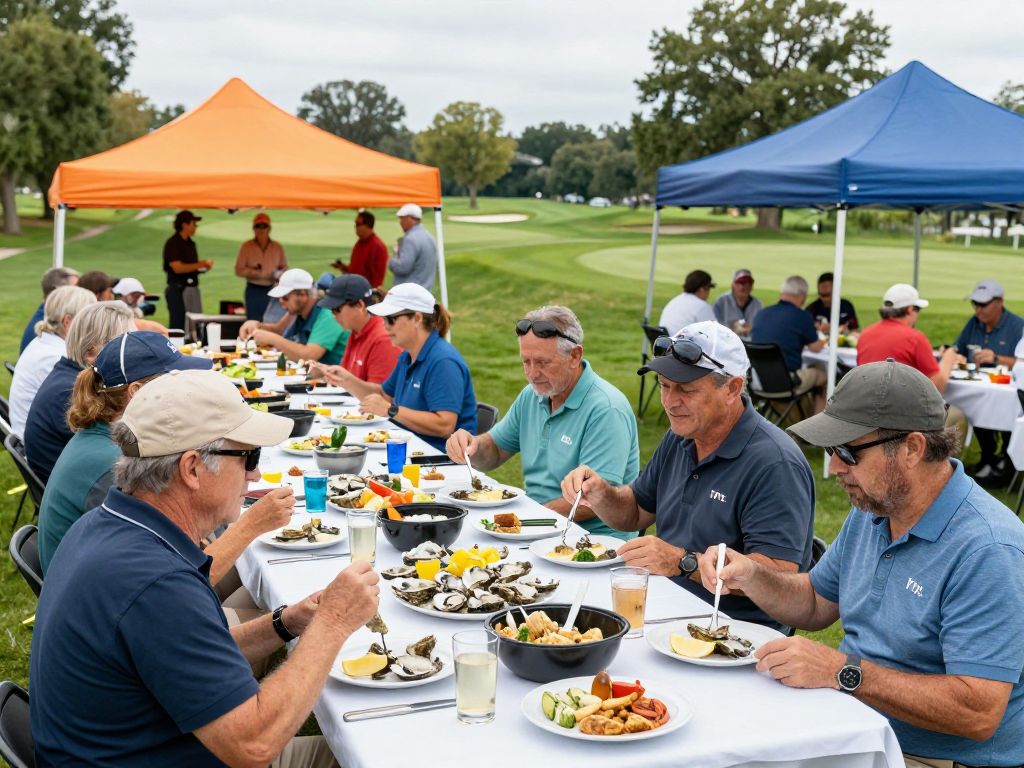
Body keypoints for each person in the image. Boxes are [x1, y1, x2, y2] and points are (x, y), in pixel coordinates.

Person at [31, 369, 377, 766]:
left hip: (129, 749)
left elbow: (186, 655)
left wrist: (286, 623)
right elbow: (253, 746)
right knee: (384, 755)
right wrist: (333, 623)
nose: (255, 474)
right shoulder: (155, 583)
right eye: (248, 456)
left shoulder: (110, 526)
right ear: (192, 469)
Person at [702, 361, 1024, 768]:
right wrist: (750, 574)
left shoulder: (988, 549)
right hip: (854, 726)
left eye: (847, 452)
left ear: (912, 448)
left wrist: (842, 671)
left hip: (932, 757)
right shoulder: (876, 507)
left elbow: (978, 712)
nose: (835, 468)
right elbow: (817, 602)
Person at [561, 321, 815, 630]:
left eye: (686, 389)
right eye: (665, 386)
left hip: (733, 633)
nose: (669, 402)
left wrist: (683, 562)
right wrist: (602, 494)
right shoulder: (682, 434)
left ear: (732, 388)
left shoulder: (775, 464)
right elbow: (637, 510)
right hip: (666, 609)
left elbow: (782, 578)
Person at [446, 306, 639, 540]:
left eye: (542, 363)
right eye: (525, 361)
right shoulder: (533, 395)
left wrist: (527, 520)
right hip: (541, 526)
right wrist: (471, 447)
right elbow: (495, 450)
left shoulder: (606, 408)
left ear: (575, 356)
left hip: (591, 541)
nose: (531, 373)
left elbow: (591, 501)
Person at [37, 331, 212, 573]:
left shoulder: (105, 440)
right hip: (106, 602)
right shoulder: (114, 464)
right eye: (174, 380)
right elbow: (182, 571)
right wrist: (250, 526)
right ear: (136, 391)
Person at [327, 283, 476, 451]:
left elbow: (444, 425)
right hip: (412, 450)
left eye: (391, 319)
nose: (385, 326)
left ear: (417, 319)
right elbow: (384, 396)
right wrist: (347, 380)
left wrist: (391, 411)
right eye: (384, 319)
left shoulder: (443, 361)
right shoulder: (408, 354)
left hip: (439, 459)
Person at [24, 301, 137, 483]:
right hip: (85, 493)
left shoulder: (67, 376)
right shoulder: (73, 391)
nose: (135, 352)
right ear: (91, 351)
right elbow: (124, 451)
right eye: (128, 344)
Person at [953, 279, 1024, 485]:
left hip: (1008, 388)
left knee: (998, 409)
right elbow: (959, 349)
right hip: (977, 386)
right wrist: (954, 355)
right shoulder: (973, 324)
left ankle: (1004, 461)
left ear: (999, 302)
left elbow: (1021, 363)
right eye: (975, 304)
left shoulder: (1018, 326)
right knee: (974, 407)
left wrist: (996, 358)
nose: (978, 309)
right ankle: (988, 456)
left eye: (983, 304)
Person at [10, 285, 96, 436]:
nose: (95, 326)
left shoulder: (43, 343)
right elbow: (83, 417)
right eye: (90, 319)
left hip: (37, 438)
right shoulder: (56, 357)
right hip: (43, 449)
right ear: (69, 322)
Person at [238, 269, 348, 365]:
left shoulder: (328, 316)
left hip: (336, 381)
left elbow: (309, 354)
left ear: (302, 294)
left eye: (285, 297)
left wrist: (272, 339)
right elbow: (279, 330)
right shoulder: (298, 311)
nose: (281, 302)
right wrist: (257, 325)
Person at [751, 275, 827, 412]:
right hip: (787, 383)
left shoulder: (761, 314)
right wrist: (825, 339)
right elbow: (815, 347)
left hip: (758, 382)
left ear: (782, 293)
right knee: (824, 374)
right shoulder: (802, 316)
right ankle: (817, 426)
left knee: (812, 368)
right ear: (802, 296)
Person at [309, 274, 400, 384]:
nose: (333, 315)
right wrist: (327, 372)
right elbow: (348, 379)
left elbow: (378, 396)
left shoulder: (382, 339)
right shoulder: (355, 332)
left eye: (337, 309)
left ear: (359, 305)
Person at [163, 209, 212, 330]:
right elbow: (177, 268)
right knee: (179, 325)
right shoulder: (173, 243)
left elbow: (190, 266)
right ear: (184, 225)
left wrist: (201, 267)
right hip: (178, 290)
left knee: (195, 325)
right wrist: (201, 264)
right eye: (193, 224)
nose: (196, 227)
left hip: (192, 288)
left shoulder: (191, 243)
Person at [235, 212, 289, 321]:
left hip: (272, 288)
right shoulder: (247, 247)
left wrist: (279, 274)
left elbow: (284, 268)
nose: (261, 229)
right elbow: (238, 270)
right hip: (253, 289)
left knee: (272, 320)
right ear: (253, 228)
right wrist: (254, 273)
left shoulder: (277, 247)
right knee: (253, 321)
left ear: (269, 228)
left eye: (264, 226)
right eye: (258, 226)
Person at [20, 266, 79, 353]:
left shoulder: (45, 316)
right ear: (58, 293)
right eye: (76, 289)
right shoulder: (48, 325)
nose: (81, 293)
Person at [332, 209, 388, 288]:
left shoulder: (378, 246)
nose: (355, 227)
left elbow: (377, 279)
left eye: (358, 224)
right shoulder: (360, 243)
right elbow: (354, 270)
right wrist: (341, 266)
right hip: (353, 289)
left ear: (368, 225)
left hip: (365, 293)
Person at [389, 203, 438, 291]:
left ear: (410, 218)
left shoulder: (410, 239)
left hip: (410, 295)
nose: (400, 222)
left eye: (402, 218)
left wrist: (390, 260)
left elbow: (402, 267)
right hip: (425, 292)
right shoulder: (429, 237)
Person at [658, 269, 716, 336]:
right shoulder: (702, 306)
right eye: (708, 289)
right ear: (702, 289)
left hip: (666, 343)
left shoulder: (675, 301)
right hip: (680, 344)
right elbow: (715, 333)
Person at [713, 268, 762, 335]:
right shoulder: (721, 301)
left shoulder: (757, 304)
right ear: (733, 285)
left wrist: (751, 329)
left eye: (749, 283)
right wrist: (732, 327)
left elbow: (761, 328)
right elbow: (713, 325)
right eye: (741, 283)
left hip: (751, 344)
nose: (745, 286)